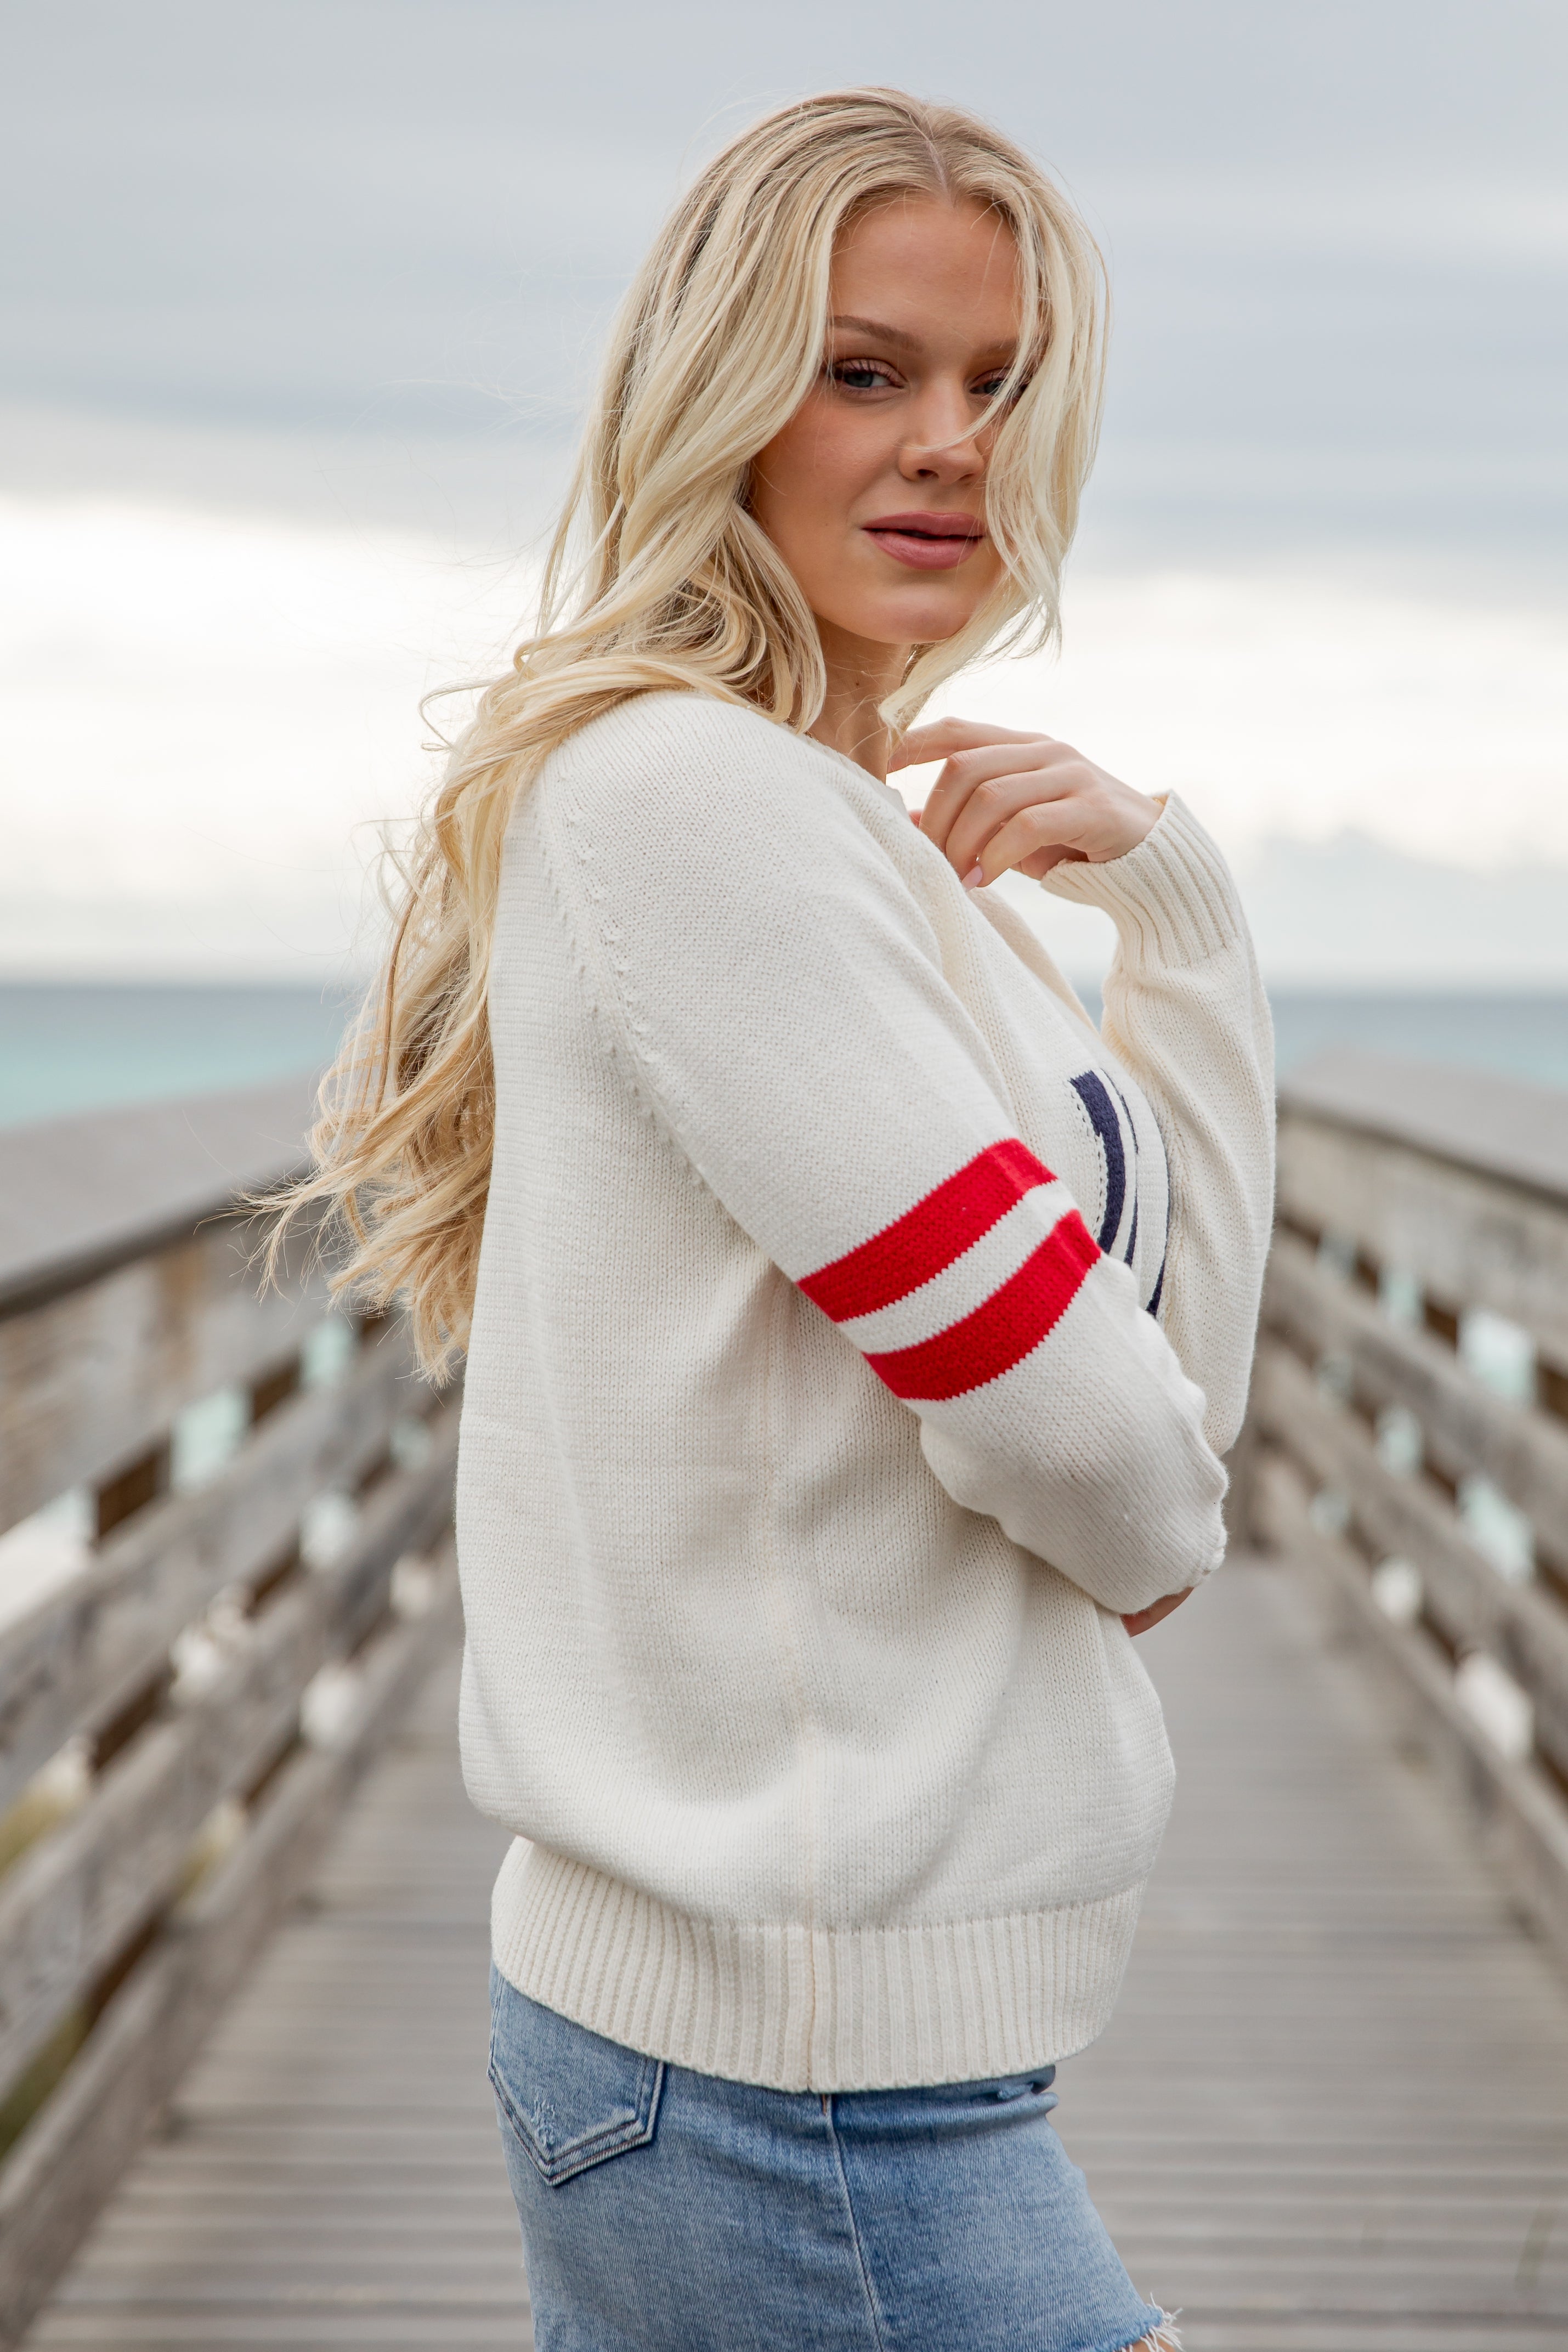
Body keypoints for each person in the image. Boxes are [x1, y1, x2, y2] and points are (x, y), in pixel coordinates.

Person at [281, 84, 1273, 2352]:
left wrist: (1179, 919)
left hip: (832, 2054)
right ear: (719, 393)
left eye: (1000, 382)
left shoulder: (850, 838)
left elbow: (1170, 1395)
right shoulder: (691, 799)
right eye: (863, 370)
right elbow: (1083, 1430)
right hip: (786, 2079)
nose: (949, 444)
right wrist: (1148, 1512)